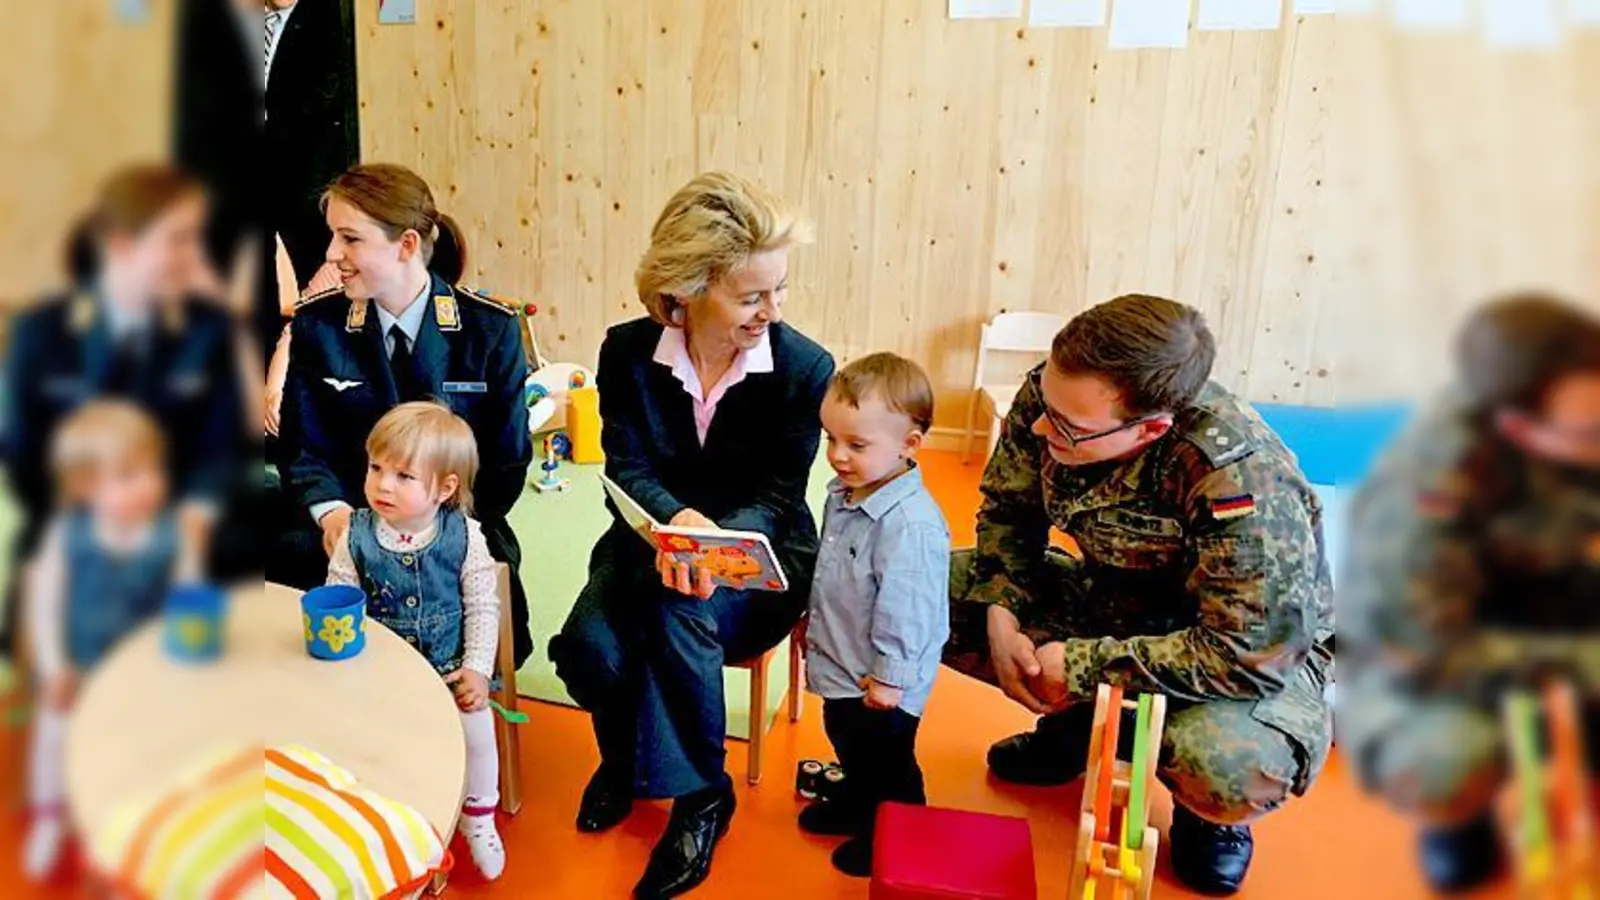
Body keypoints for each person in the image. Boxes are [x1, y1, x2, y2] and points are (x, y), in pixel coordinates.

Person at [942, 295, 1334, 896]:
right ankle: (1076, 732)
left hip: (1244, 656)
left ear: (1150, 428)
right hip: (1113, 599)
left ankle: (1209, 820)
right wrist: (1003, 606)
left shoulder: (1241, 477)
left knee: (1228, 766)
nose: (1043, 427)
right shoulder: (1062, 398)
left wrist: (1079, 666)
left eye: (1068, 428)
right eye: (1045, 406)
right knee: (916, 595)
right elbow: (1010, 511)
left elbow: (1246, 653)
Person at [548, 171, 834, 899]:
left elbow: (779, 494)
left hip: (761, 552)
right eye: (751, 296)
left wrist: (715, 544)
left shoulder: (805, 369)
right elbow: (627, 465)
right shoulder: (625, 351)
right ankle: (626, 760)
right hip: (652, 539)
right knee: (588, 645)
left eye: (780, 290)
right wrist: (676, 523)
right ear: (687, 288)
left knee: (682, 610)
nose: (772, 310)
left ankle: (703, 797)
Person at [1338, 294, 1600, 894]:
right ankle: (1459, 824)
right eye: (1590, 433)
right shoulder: (1424, 487)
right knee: (1439, 762)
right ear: (1517, 428)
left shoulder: (1582, 406)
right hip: (1451, 651)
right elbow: (1424, 649)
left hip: (1569, 594)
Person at [273, 163, 534, 667]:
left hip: (456, 525)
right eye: (333, 237)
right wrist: (335, 516)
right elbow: (302, 450)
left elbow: (505, 465)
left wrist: (426, 526)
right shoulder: (318, 325)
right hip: (344, 526)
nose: (332, 256)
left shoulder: (489, 330)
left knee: (487, 619)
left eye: (350, 239)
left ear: (407, 244)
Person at [1, 164, 247, 653]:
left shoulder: (207, 330)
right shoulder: (41, 332)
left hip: (178, 542)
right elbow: (18, 449)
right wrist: (91, 518)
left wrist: (191, 519)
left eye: (195, 238)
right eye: (177, 240)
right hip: (69, 546)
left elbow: (221, 454)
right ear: (120, 245)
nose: (194, 257)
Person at [326, 401, 506, 880]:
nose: (383, 484)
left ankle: (478, 817)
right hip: (381, 676)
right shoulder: (356, 536)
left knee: (477, 734)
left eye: (404, 476)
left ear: (445, 488)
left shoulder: (465, 536)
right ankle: (388, 820)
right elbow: (339, 595)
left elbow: (484, 606)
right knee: (359, 737)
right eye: (376, 467)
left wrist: (476, 670)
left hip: (450, 672)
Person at [23, 401, 202, 879]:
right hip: (79, 669)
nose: (147, 484)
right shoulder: (68, 535)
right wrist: (53, 663)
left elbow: (188, 600)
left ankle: (138, 822)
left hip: (146, 672)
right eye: (127, 475)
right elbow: (44, 603)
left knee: (152, 746)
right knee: (54, 736)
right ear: (83, 488)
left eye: (152, 470)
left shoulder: (172, 535)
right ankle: (50, 814)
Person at [801, 353, 950, 877]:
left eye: (857, 445)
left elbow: (909, 613)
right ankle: (858, 803)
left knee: (887, 762)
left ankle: (894, 831)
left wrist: (889, 680)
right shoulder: (845, 495)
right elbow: (834, 571)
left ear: (910, 444)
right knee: (846, 740)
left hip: (882, 679)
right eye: (830, 440)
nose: (837, 456)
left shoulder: (910, 526)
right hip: (844, 662)